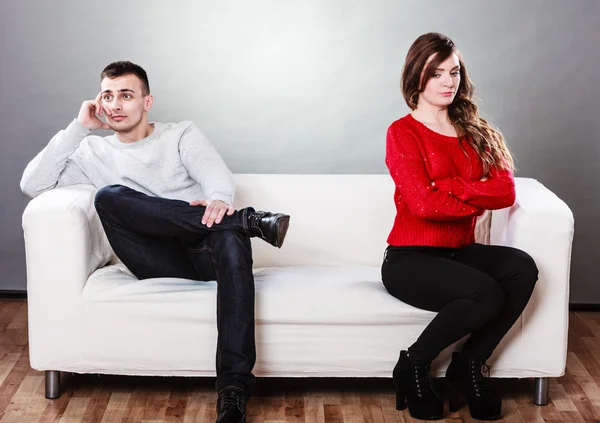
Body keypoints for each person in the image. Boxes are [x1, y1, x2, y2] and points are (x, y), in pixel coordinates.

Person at [20, 60, 290, 423]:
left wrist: (220, 199)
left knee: (227, 234)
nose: (115, 105)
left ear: (147, 102)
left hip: (204, 250)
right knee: (109, 196)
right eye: (108, 95)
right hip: (152, 256)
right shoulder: (91, 153)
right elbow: (32, 184)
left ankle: (233, 394)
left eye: (126, 95)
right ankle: (249, 221)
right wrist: (78, 128)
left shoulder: (180, 135)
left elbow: (214, 174)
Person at [382, 33, 538, 421]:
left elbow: (503, 192)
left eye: (454, 72)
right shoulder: (402, 133)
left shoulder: (475, 130)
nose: (448, 81)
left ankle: (469, 364)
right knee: (485, 293)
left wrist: (450, 187)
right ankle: (414, 364)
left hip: (458, 252)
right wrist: (471, 195)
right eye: (437, 73)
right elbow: (422, 204)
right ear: (416, 76)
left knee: (522, 268)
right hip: (409, 259)